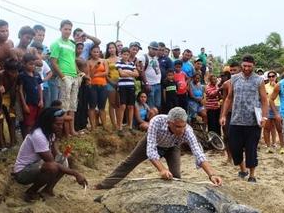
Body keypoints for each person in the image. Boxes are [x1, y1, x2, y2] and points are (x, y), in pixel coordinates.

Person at [94, 107, 222, 189]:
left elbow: (198, 153)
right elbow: (151, 149)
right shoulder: (157, 121)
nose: (181, 130)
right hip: (152, 143)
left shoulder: (187, 131)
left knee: (176, 176)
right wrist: (162, 169)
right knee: (129, 162)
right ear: (169, 122)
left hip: (172, 146)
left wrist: (212, 175)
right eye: (177, 127)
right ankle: (105, 184)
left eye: (183, 126)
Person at [13, 108, 88, 202]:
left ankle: (48, 189)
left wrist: (63, 154)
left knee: (64, 160)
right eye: (57, 124)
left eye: (61, 124)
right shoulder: (38, 135)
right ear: (48, 123)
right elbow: (52, 162)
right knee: (52, 167)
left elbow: (56, 155)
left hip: (35, 165)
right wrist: (75, 174)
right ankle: (31, 192)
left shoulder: (49, 133)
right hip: (22, 172)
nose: (61, 127)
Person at [220, 55, 268, 182]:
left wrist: (264, 117)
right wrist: (224, 115)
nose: (246, 68)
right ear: (241, 65)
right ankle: (242, 169)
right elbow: (229, 98)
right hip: (236, 120)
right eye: (244, 66)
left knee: (251, 149)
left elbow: (264, 100)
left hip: (253, 121)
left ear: (253, 66)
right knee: (234, 147)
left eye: (249, 66)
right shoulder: (234, 79)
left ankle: (252, 175)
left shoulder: (259, 80)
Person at [50, 20, 79, 137]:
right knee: (64, 105)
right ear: (60, 29)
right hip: (64, 76)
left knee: (73, 105)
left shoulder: (72, 45)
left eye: (69, 29)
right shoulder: (56, 43)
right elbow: (53, 62)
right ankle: (65, 132)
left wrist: (78, 73)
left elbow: (73, 61)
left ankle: (72, 130)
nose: (67, 31)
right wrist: (62, 76)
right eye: (65, 29)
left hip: (74, 76)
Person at [219, 61, 240, 164]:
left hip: (240, 113)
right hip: (229, 112)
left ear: (239, 70)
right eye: (231, 70)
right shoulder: (226, 84)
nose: (232, 72)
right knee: (226, 135)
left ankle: (238, 157)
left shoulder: (244, 83)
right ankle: (229, 157)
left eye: (234, 70)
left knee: (239, 136)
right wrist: (222, 115)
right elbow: (224, 100)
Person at [18, 53, 43, 137]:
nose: (33, 66)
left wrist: (41, 100)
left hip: (38, 102)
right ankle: (27, 140)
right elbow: (20, 90)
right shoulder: (22, 75)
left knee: (37, 122)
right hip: (28, 103)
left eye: (34, 64)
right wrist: (24, 105)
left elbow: (40, 88)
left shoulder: (37, 74)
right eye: (30, 64)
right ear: (24, 64)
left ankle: (35, 139)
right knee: (28, 124)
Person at [116, 47, 138, 135]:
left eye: (127, 54)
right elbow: (121, 73)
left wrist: (126, 72)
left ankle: (130, 127)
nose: (126, 56)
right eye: (124, 54)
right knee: (123, 106)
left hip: (131, 87)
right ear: (121, 54)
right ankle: (120, 127)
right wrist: (131, 73)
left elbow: (137, 74)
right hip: (122, 87)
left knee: (131, 107)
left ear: (129, 55)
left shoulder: (132, 63)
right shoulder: (118, 63)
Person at [87, 45, 109, 131]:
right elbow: (89, 75)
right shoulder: (88, 62)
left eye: (97, 51)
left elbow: (106, 73)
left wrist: (96, 74)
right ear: (91, 52)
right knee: (92, 106)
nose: (96, 53)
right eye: (94, 52)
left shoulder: (104, 61)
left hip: (103, 85)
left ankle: (104, 126)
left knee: (102, 107)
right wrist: (95, 67)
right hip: (92, 86)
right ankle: (93, 127)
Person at [263, 70, 284, 153]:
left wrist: (275, 85)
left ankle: (282, 146)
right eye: (269, 76)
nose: (271, 78)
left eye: (273, 76)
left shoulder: (279, 85)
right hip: (268, 107)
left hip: (277, 107)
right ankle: (268, 146)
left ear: (276, 77)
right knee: (267, 128)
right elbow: (263, 98)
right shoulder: (265, 86)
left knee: (279, 128)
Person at [140, 41, 162, 109]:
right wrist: (146, 83)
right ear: (149, 48)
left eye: (156, 49)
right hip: (150, 85)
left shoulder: (155, 58)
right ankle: (150, 119)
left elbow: (156, 70)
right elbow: (141, 71)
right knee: (150, 106)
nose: (155, 51)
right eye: (153, 49)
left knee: (157, 105)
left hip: (157, 84)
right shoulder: (143, 57)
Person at [105, 42, 119, 130]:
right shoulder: (106, 60)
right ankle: (114, 124)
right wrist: (111, 82)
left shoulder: (120, 59)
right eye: (109, 48)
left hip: (120, 83)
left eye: (113, 47)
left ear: (115, 48)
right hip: (110, 83)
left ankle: (119, 122)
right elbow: (105, 74)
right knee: (112, 103)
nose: (111, 49)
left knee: (118, 104)